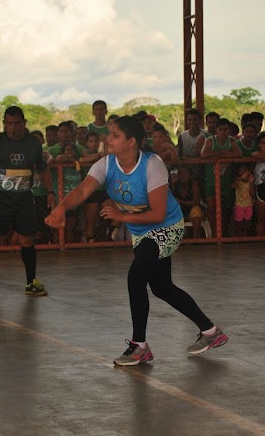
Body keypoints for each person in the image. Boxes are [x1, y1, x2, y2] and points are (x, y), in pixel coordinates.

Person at [45, 115, 228, 365]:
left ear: (131, 142)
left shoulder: (152, 165)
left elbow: (158, 213)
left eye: (115, 135)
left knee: (135, 277)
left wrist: (120, 215)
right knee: (162, 287)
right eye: (109, 134)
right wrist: (61, 208)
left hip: (166, 227)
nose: (108, 139)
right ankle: (210, 331)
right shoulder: (106, 164)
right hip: (141, 231)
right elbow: (82, 190)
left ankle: (139, 345)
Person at [0, 106, 56, 301]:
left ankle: (31, 282)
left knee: (27, 240)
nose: (13, 127)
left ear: (24, 123)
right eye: (8, 123)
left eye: (17, 123)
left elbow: (43, 169)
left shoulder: (33, 144)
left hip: (24, 201)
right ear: (4, 124)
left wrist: (50, 192)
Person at [201, 118, 241, 235]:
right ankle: (214, 232)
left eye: (225, 129)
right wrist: (224, 154)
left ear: (229, 130)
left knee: (227, 208)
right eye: (220, 129)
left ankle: (224, 232)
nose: (223, 132)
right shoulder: (210, 140)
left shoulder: (232, 141)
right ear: (216, 130)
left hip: (226, 182)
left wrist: (220, 155)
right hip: (211, 181)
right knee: (212, 207)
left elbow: (238, 153)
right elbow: (204, 154)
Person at [231, 164, 255, 237]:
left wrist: (251, 182)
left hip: (248, 205)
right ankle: (239, 237)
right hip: (239, 205)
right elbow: (233, 186)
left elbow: (252, 193)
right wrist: (238, 179)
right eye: (243, 171)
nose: (245, 173)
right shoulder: (238, 181)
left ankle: (245, 236)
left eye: (246, 171)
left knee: (247, 223)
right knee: (239, 224)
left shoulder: (250, 182)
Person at [252, 131, 265, 236]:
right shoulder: (255, 155)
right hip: (261, 187)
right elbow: (255, 154)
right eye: (263, 142)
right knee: (261, 218)